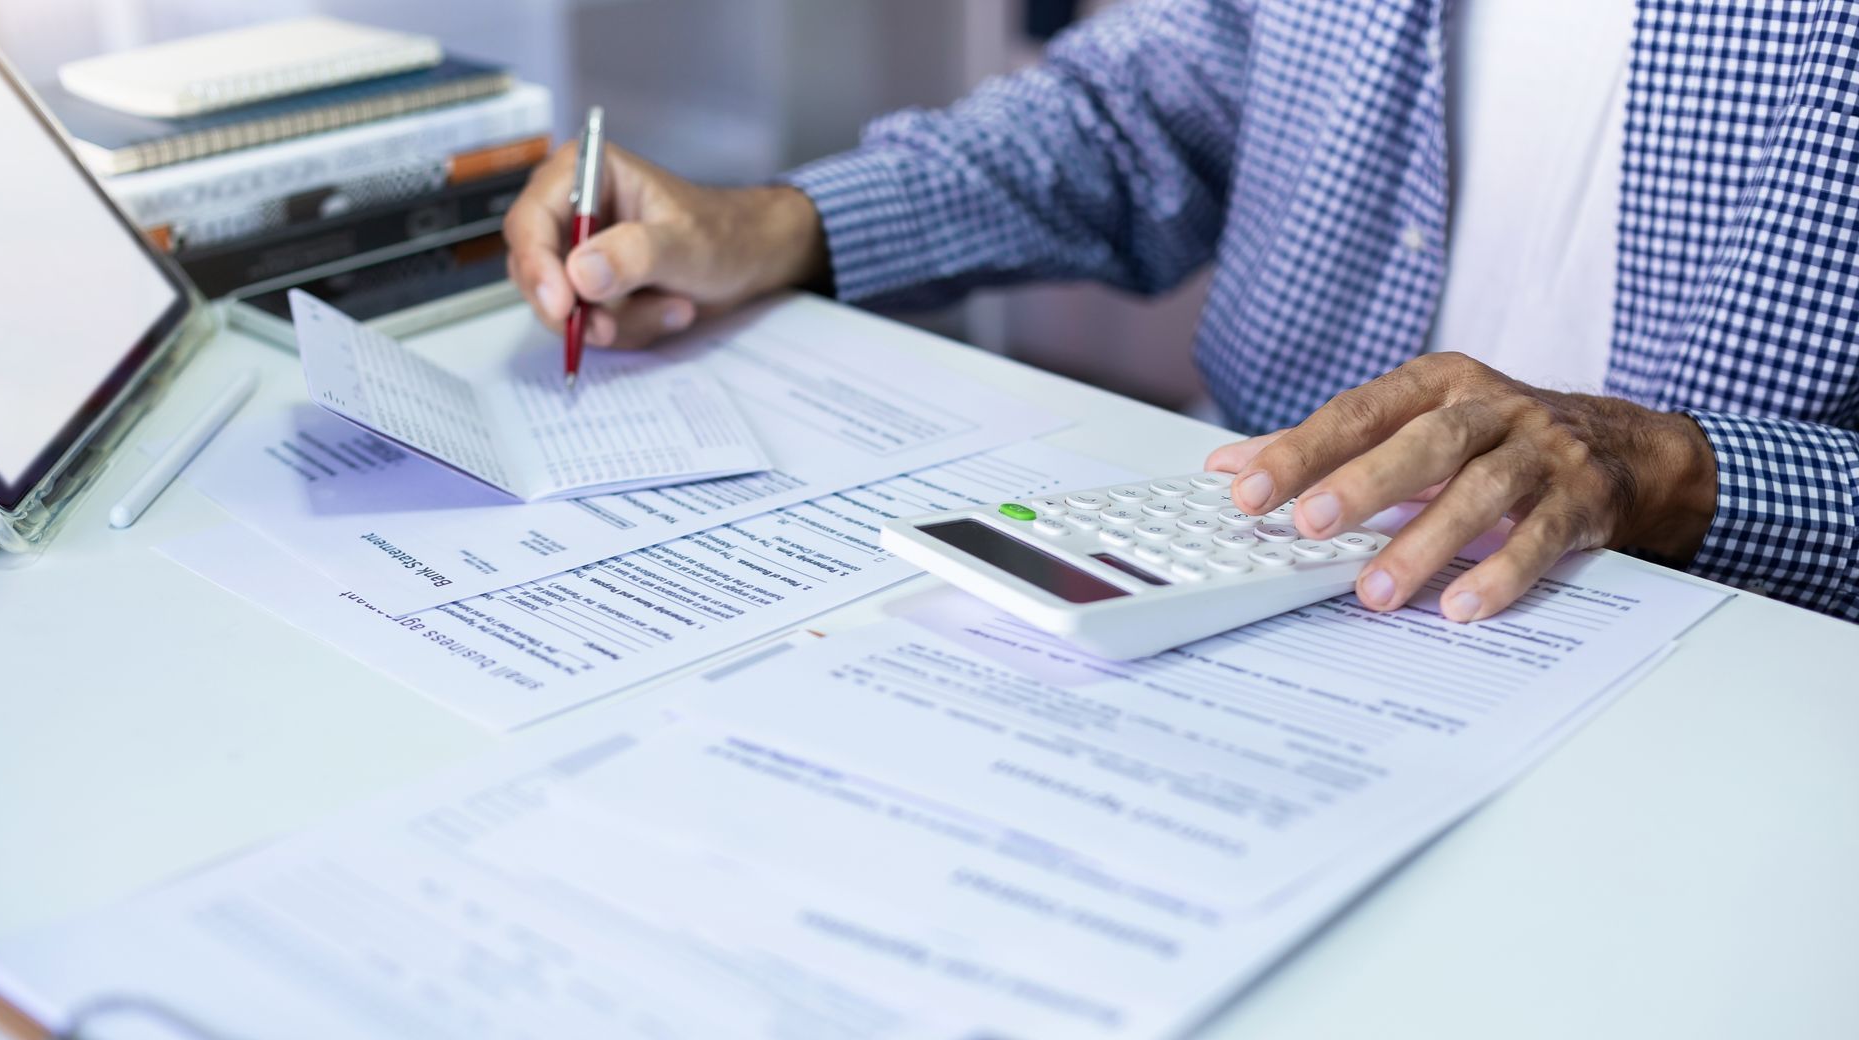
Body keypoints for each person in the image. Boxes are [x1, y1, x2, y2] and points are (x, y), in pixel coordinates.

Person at [504, 0, 1859, 626]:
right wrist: (778, 226)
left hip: (1725, 655)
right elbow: (1148, 105)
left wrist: (1678, 475)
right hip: (1259, 570)